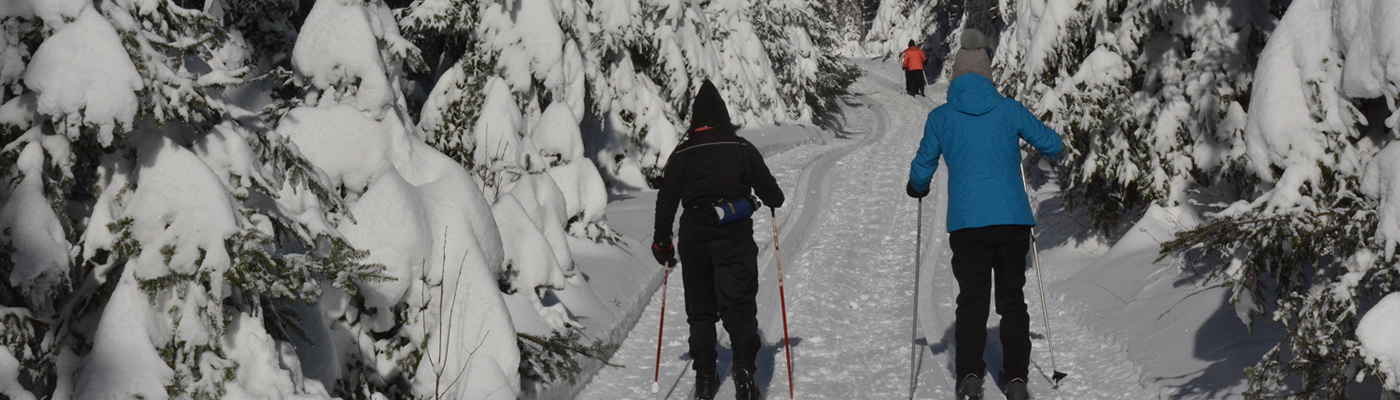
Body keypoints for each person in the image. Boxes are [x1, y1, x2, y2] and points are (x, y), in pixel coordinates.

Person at [904, 28, 1062, 400]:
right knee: (1011, 300)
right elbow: (1053, 142)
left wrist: (917, 187)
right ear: (988, 74)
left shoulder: (941, 118)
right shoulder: (1008, 109)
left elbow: (923, 167)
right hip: (1012, 221)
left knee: (972, 302)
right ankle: (1017, 379)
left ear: (956, 76)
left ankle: (971, 376)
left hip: (968, 223)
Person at [653, 79, 785, 400]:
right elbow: (773, 196)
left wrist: (662, 243)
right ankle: (742, 367)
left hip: (694, 240)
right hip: (734, 237)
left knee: (700, 313)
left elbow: (666, 201)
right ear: (723, 115)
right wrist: (765, 197)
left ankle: (705, 378)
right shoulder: (741, 148)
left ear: (696, 119)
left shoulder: (681, 154)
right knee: (738, 306)